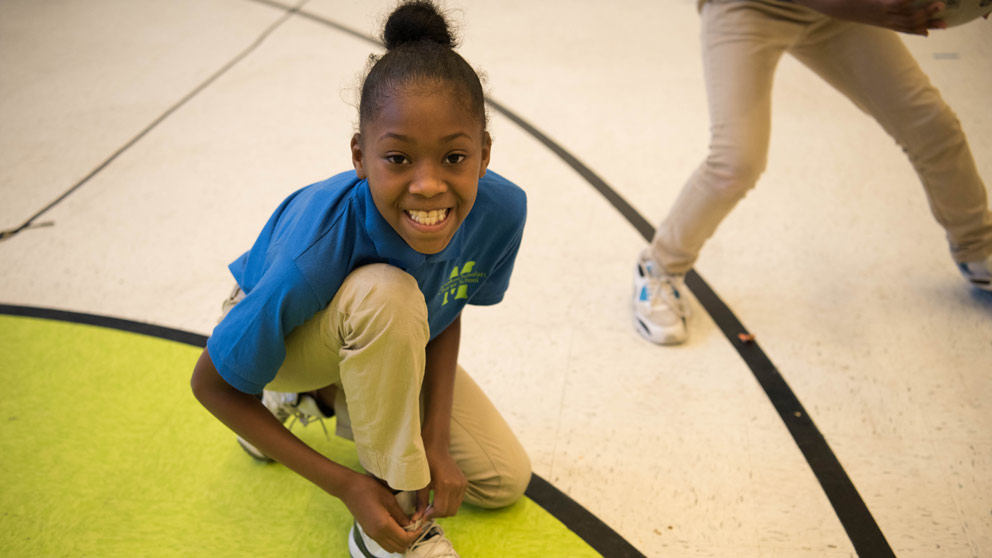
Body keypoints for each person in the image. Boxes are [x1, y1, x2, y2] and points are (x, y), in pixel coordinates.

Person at [190, 2, 531, 557]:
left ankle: (330, 391)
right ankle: (392, 527)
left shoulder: (503, 210)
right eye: (397, 158)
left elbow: (447, 305)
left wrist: (437, 442)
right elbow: (210, 384)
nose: (427, 185)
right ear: (360, 156)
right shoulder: (316, 249)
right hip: (284, 326)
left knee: (500, 480)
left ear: (484, 155)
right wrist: (350, 485)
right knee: (387, 296)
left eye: (453, 156)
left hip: (381, 328)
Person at [632, 0, 992, 345]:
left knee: (931, 125)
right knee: (735, 165)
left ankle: (979, 250)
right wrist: (862, 7)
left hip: (840, 13)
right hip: (750, 7)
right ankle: (658, 268)